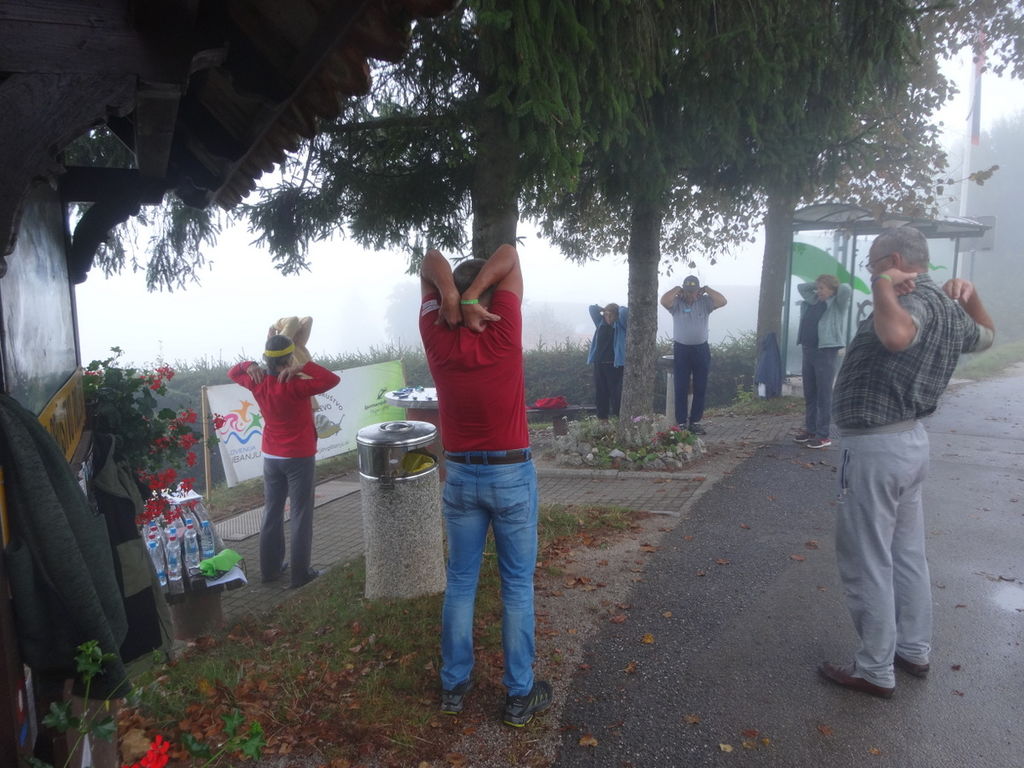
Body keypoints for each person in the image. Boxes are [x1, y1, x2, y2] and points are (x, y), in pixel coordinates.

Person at [820, 226, 994, 699]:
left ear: (893, 261)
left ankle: (875, 669)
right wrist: (972, 297)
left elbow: (897, 336)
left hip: (876, 447)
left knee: (867, 558)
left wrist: (882, 285)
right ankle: (913, 649)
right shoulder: (947, 307)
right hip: (909, 441)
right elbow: (987, 337)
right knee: (906, 554)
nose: (871, 272)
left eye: (874, 264)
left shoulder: (910, 297)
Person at [419, 244, 552, 728]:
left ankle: (454, 686)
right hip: (510, 474)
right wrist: (476, 296)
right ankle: (519, 694)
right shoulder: (504, 330)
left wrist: (453, 298)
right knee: (516, 586)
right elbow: (509, 255)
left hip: (459, 475)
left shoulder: (436, 335)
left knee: (460, 582)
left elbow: (429, 261)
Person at [228, 334, 340, 589]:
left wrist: (249, 365)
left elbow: (233, 372)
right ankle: (300, 575)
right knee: (300, 515)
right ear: (290, 358)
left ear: (266, 358)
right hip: (299, 456)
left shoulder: (257, 382)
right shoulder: (296, 384)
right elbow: (332, 379)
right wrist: (303, 367)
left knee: (272, 511)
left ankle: (270, 571)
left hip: (271, 456)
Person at [660, 276, 727, 434]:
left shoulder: (705, 302)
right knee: (681, 386)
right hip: (681, 349)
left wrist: (707, 289)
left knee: (700, 386)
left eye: (694, 292)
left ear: (698, 291)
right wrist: (677, 289)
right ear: (683, 291)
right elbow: (663, 301)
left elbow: (722, 301)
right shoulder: (676, 303)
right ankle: (681, 422)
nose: (691, 295)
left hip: (701, 349)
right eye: (688, 292)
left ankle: (695, 421)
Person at [794, 274, 851, 449]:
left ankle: (823, 435)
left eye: (822, 289)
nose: (818, 291)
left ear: (832, 290)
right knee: (810, 393)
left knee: (823, 394)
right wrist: (818, 284)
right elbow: (801, 288)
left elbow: (846, 289)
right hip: (808, 350)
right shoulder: (812, 301)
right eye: (817, 288)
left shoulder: (837, 304)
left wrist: (831, 286)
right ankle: (811, 430)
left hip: (825, 351)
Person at [587, 302, 628, 419]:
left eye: (611, 315)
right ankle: (602, 419)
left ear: (616, 315)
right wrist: (604, 309)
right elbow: (592, 308)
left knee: (616, 394)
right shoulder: (600, 323)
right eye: (606, 315)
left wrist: (617, 309)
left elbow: (625, 312)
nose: (608, 318)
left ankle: (618, 418)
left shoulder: (620, 326)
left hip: (615, 365)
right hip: (599, 363)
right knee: (601, 393)